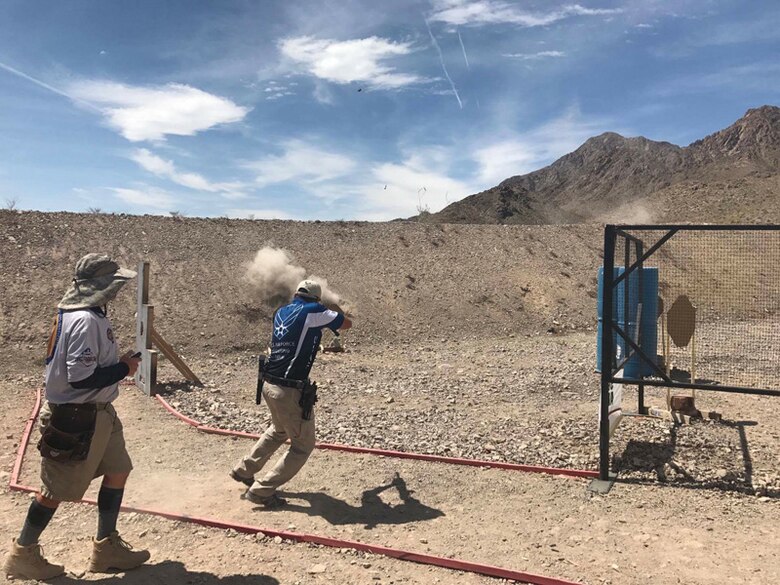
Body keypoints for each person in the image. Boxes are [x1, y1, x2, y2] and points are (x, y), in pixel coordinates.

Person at [3, 254, 150, 580]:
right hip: (76, 418)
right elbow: (80, 378)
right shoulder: (84, 319)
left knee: (119, 470)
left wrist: (118, 366)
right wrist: (124, 368)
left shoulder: (86, 315)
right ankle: (22, 554)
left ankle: (106, 548)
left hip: (98, 413)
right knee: (55, 490)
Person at [231, 279, 352, 507]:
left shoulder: (281, 311)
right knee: (303, 446)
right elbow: (346, 324)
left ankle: (243, 470)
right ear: (316, 298)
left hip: (269, 384)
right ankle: (262, 491)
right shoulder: (314, 310)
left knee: (278, 431)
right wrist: (332, 308)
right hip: (289, 389)